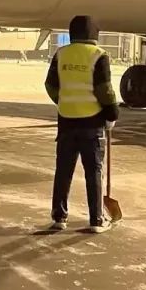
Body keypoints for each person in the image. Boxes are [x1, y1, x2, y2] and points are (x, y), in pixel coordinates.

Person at [44, 16, 120, 232]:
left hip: (66, 122)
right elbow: (104, 89)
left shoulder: (61, 54)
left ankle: (59, 218)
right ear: (95, 34)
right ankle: (96, 220)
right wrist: (112, 113)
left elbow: (50, 85)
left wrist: (64, 101)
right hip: (92, 123)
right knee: (93, 172)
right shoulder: (99, 55)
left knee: (63, 172)